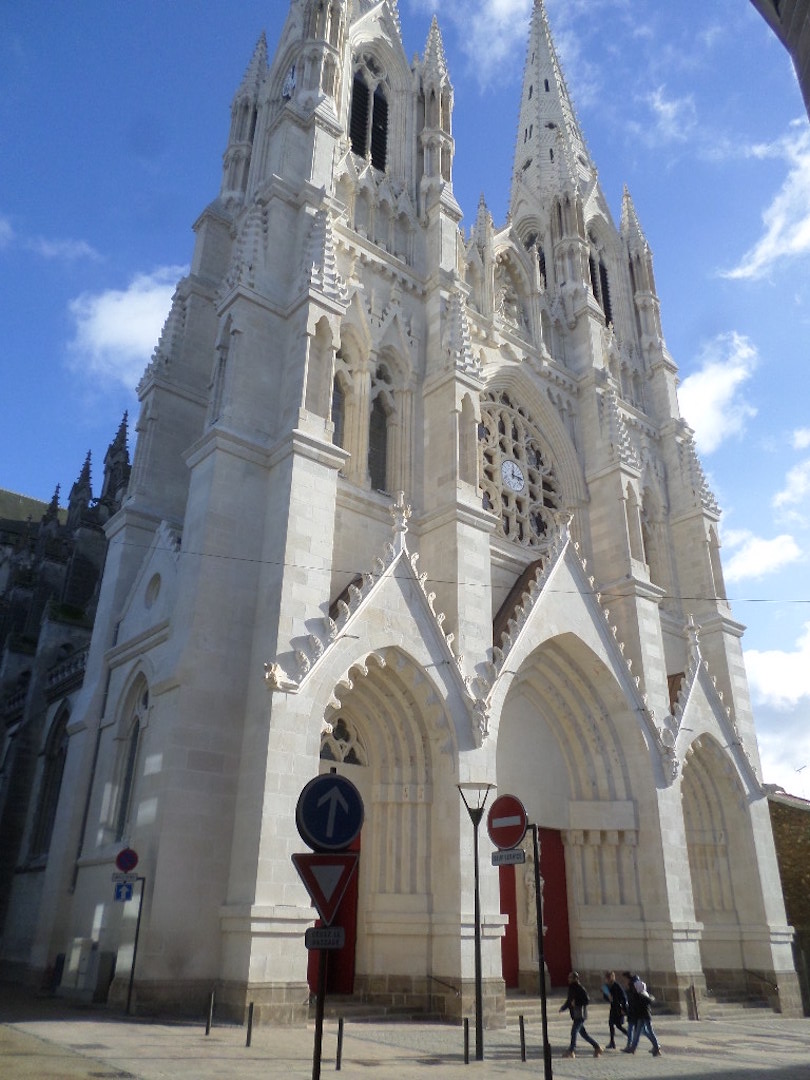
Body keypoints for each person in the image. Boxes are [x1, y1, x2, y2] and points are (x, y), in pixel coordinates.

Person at [559, 971, 603, 1058]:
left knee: (574, 1031)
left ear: (575, 979)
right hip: (575, 1014)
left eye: (570, 978)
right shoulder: (571, 988)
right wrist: (563, 1008)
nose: (569, 979)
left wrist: (577, 1003)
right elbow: (569, 1000)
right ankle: (597, 1047)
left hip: (580, 1014)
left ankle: (571, 1050)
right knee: (584, 1035)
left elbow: (586, 1000)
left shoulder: (580, 988)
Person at [622, 972, 661, 1056]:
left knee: (647, 1031)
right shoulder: (639, 994)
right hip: (641, 1015)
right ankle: (634, 1048)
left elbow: (644, 1003)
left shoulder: (641, 995)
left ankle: (656, 1047)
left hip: (644, 1015)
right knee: (640, 1031)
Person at [601, 970, 628, 1049]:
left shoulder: (616, 986)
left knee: (618, 1026)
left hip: (618, 1008)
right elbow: (607, 998)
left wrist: (623, 1008)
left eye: (608, 978)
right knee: (611, 1024)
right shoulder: (608, 986)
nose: (607, 979)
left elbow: (623, 998)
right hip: (613, 1008)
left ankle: (630, 1036)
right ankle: (612, 1042)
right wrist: (606, 995)